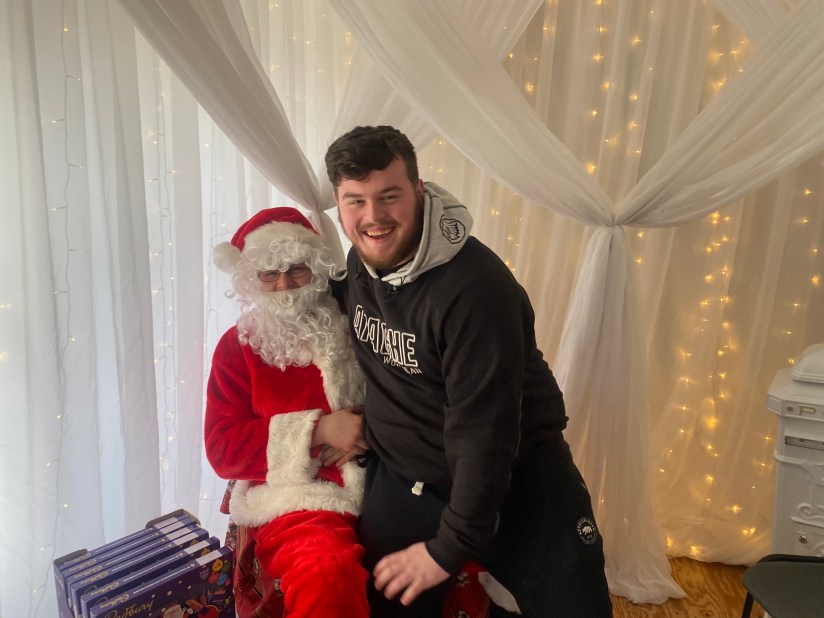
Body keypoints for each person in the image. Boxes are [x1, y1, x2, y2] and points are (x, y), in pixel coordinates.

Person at [325, 125, 613, 617]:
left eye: (389, 196)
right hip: (405, 475)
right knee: (383, 603)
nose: (373, 217)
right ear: (338, 204)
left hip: (515, 473)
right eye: (356, 201)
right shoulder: (361, 260)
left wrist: (448, 547)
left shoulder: (476, 291)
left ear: (419, 190)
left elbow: (485, 433)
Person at [204, 207, 371, 618]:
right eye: (269, 274)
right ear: (252, 280)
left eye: (297, 269)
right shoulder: (236, 347)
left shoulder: (361, 322)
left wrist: (372, 429)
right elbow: (223, 450)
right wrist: (319, 430)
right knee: (326, 575)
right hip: (298, 496)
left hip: (385, 471)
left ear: (317, 269)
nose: (284, 285)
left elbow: (412, 390)